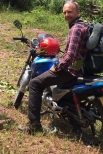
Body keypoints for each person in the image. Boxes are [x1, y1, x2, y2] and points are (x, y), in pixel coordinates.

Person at [18, 1, 90, 134]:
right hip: (82, 69)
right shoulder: (84, 26)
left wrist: (57, 67)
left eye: (70, 12)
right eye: (64, 12)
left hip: (72, 71)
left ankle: (33, 125)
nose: (66, 15)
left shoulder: (75, 29)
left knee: (35, 83)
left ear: (77, 13)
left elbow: (70, 57)